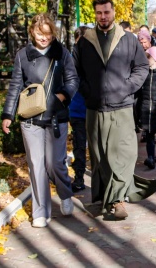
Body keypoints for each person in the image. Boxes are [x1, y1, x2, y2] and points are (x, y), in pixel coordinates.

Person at [73, 0, 156, 220]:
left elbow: (142, 68)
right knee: (99, 155)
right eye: (99, 13)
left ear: (114, 12)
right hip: (94, 108)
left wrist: (127, 88)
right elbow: (75, 72)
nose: (103, 17)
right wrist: (88, 92)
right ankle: (100, 200)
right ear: (95, 14)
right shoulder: (85, 40)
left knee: (123, 154)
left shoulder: (128, 39)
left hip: (122, 107)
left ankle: (118, 201)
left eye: (107, 12)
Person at [1, 13, 79, 228]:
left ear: (53, 33)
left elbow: (73, 79)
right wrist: (7, 115)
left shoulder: (61, 53)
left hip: (56, 117)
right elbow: (15, 86)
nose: (43, 38)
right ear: (32, 32)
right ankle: (40, 211)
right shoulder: (22, 55)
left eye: (47, 34)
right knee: (36, 165)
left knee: (54, 164)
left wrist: (62, 97)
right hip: (30, 117)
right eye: (39, 33)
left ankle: (64, 194)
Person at [136, 46, 156, 169]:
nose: (145, 60)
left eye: (148, 57)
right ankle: (150, 157)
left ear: (154, 58)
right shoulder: (144, 73)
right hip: (146, 108)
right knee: (149, 133)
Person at [69, 26, 89, 192]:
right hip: (77, 110)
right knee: (79, 146)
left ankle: (96, 179)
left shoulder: (94, 59)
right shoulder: (70, 60)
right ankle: (79, 178)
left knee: (97, 148)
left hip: (94, 109)